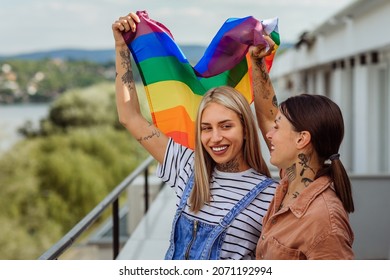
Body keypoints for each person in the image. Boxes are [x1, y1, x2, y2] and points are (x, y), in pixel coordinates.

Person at [112, 12, 278, 260]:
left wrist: (257, 65)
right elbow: (130, 117)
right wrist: (121, 47)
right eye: (206, 128)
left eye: (226, 126)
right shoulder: (187, 168)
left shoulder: (272, 196)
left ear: (245, 127)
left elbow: (272, 123)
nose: (215, 138)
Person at [254, 78, 355, 259]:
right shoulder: (293, 178)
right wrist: (258, 63)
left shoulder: (324, 220)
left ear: (301, 139)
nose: (269, 134)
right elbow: (268, 115)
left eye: (277, 128)